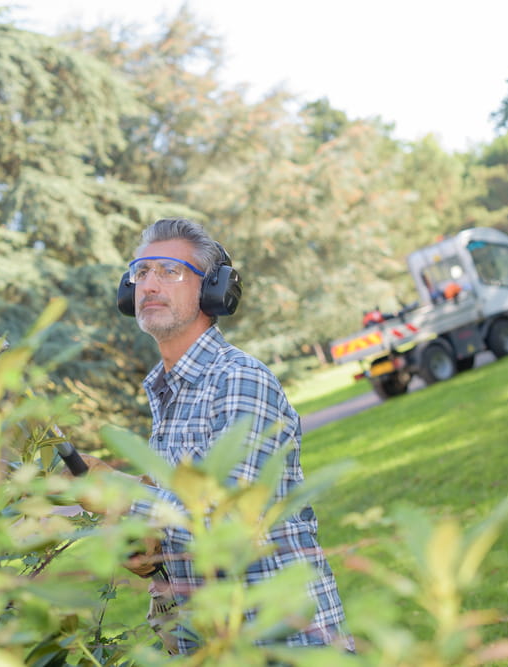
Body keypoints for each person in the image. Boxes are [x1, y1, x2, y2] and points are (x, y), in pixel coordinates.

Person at [81, 217, 353, 655]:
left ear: (214, 291)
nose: (149, 284)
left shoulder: (239, 379)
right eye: (141, 272)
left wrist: (123, 499)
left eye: (169, 270)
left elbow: (231, 519)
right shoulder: (169, 392)